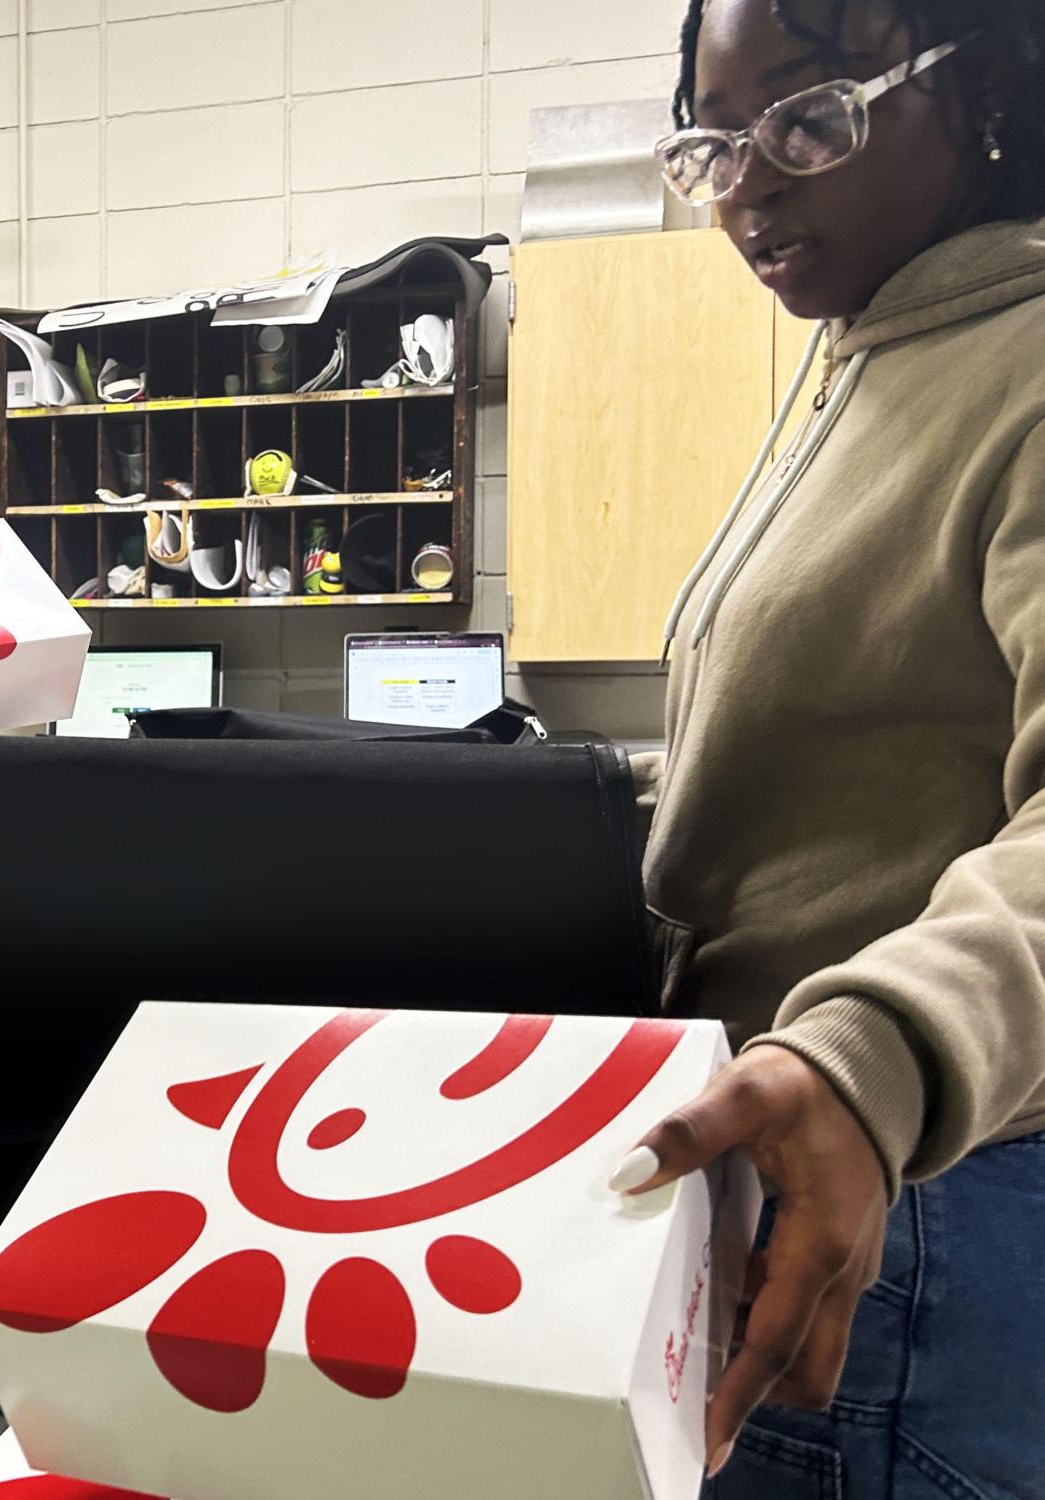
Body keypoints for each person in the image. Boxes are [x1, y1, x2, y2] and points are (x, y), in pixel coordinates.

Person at [614, 1, 1045, 1494]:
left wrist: (876, 1054)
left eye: (806, 122)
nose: (748, 186)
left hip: (914, 1194)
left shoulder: (1028, 361)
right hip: (786, 1167)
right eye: (712, 144)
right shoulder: (867, 359)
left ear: (980, 86)